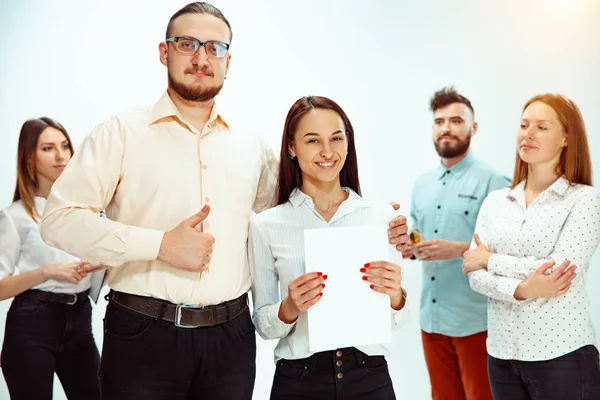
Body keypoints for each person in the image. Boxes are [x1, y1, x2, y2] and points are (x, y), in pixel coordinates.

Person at [39, 3, 410, 398]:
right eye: (187, 44)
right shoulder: (121, 133)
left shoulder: (250, 144)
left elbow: (294, 215)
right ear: (164, 52)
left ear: (228, 61)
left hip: (231, 340)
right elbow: (58, 219)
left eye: (214, 48)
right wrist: (160, 245)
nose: (201, 58)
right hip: (144, 334)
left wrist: (370, 227)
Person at [250, 95, 408, 400]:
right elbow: (263, 323)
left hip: (370, 378)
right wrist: (289, 308)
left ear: (348, 143)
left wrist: (396, 296)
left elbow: (399, 319)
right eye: (312, 141)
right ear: (292, 148)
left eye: (336, 138)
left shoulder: (381, 217)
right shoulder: (266, 225)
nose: (327, 151)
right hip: (299, 381)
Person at [463, 93, 600, 400]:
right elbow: (474, 274)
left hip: (561, 355)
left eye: (542, 126)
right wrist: (523, 289)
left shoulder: (584, 200)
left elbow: (559, 272)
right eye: (524, 125)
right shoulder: (495, 202)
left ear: (566, 137)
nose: (528, 133)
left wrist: (491, 260)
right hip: (501, 356)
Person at [403, 87, 509, 400]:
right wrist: (409, 245)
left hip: (475, 321)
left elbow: (508, 249)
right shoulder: (422, 184)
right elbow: (416, 232)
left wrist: (457, 249)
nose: (446, 128)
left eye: (455, 120)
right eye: (439, 122)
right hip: (431, 319)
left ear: (473, 128)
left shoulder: (495, 182)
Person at [0, 117, 101, 400]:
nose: (61, 155)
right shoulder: (15, 216)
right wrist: (47, 272)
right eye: (48, 148)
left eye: (65, 146)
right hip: (33, 325)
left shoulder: (89, 210)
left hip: (80, 322)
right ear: (29, 157)